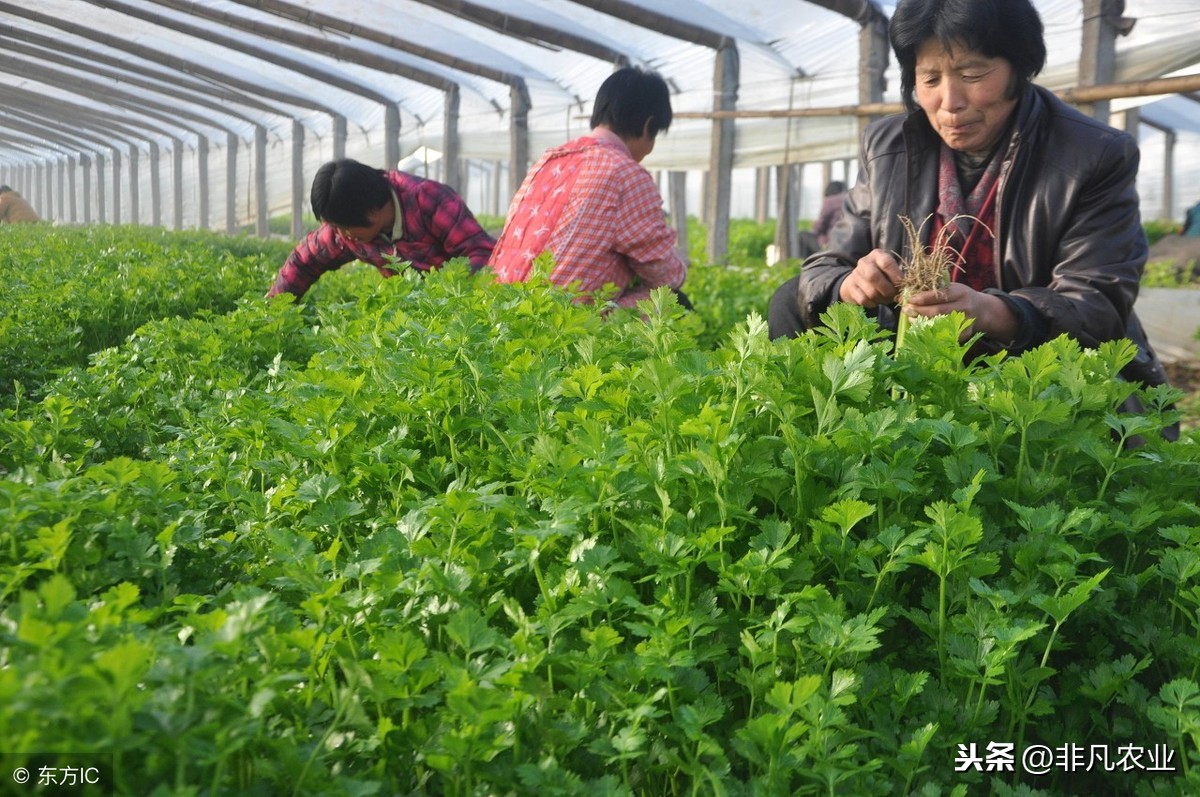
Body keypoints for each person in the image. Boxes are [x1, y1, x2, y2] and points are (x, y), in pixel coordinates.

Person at [766, 0, 1172, 429]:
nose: (950, 102)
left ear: (1019, 67)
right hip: (915, 352)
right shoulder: (888, 145)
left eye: (972, 74)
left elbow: (1097, 305)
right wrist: (851, 284)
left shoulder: (1093, 153)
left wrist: (992, 312)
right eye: (930, 79)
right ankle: (827, 443)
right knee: (791, 303)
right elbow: (826, 267)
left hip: (1029, 361)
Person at [488, 66, 689, 310]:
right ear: (648, 126)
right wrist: (681, 269)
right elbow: (663, 273)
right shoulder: (625, 173)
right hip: (562, 324)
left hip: (500, 311)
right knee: (670, 301)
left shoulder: (550, 159)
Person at [267, 159, 495, 299]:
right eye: (335, 227)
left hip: (458, 304)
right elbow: (304, 261)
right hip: (410, 314)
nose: (342, 235)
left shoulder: (429, 199)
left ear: (372, 210)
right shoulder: (345, 233)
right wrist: (273, 313)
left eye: (344, 227)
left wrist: (451, 293)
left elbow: (482, 253)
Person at [797, 180, 848, 258]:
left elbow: (819, 226)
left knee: (802, 235)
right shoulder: (851, 199)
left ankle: (810, 264)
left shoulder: (830, 201)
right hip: (849, 242)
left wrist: (814, 226)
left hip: (831, 243)